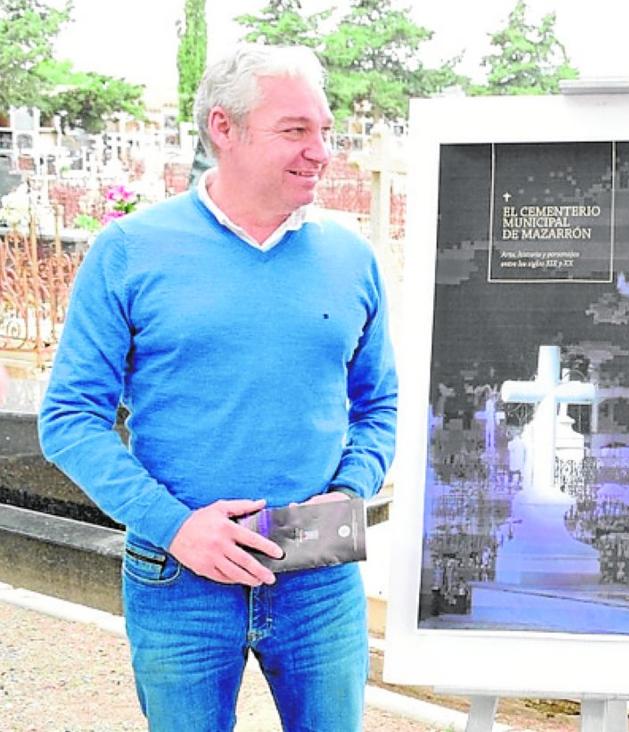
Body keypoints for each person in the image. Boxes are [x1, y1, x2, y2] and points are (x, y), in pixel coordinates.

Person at [39, 45, 397, 732]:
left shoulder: (351, 259)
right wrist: (176, 528)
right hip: (180, 576)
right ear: (223, 129)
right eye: (295, 130)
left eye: (324, 130)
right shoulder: (129, 251)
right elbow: (70, 418)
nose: (321, 150)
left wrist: (349, 492)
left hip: (318, 575)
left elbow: (378, 403)